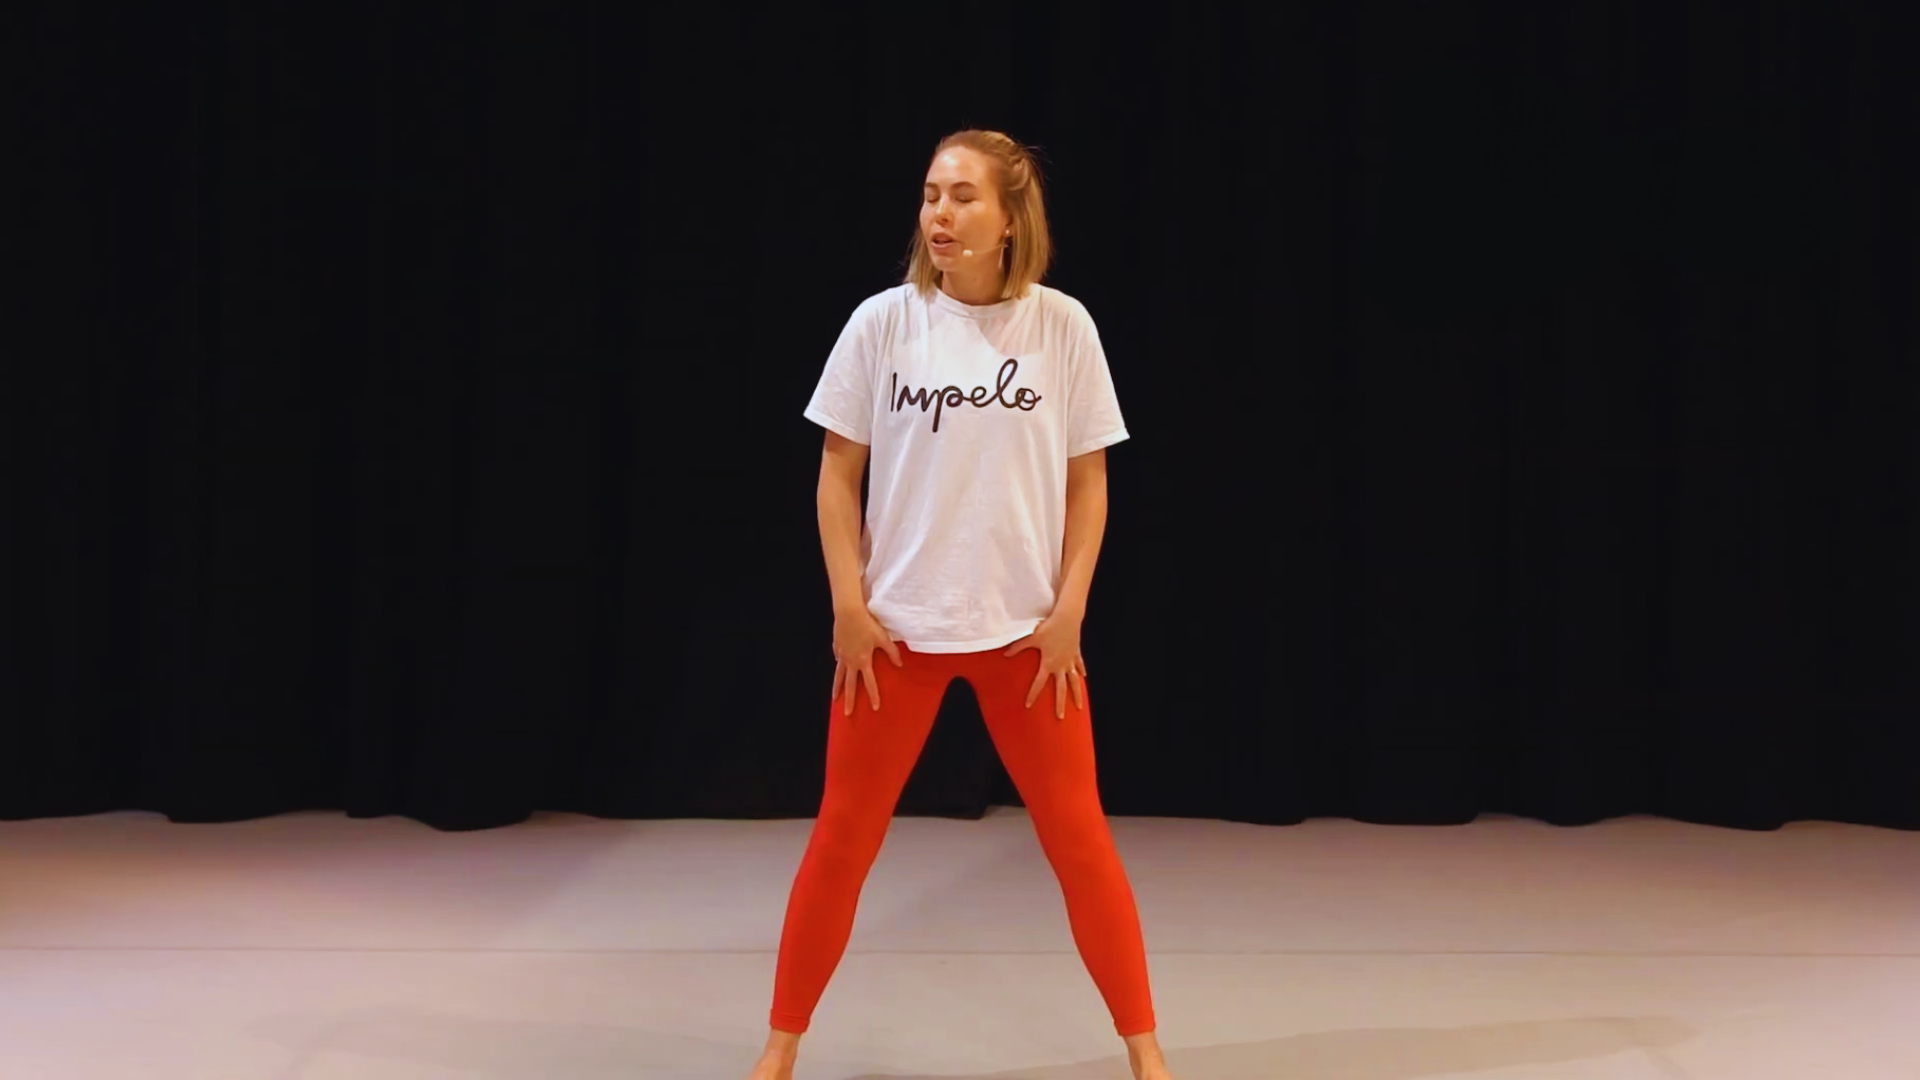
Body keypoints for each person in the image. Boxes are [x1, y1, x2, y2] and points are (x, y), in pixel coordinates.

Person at [745, 130, 1176, 1080]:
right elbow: (836, 473)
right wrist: (848, 604)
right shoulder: (883, 324)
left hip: (1028, 638)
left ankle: (1146, 1052)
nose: (940, 214)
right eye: (932, 196)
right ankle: (778, 1049)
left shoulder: (1063, 327)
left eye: (963, 197)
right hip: (895, 636)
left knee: (1080, 842)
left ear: (1011, 218)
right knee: (842, 842)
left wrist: (1069, 611)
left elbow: (1089, 482)